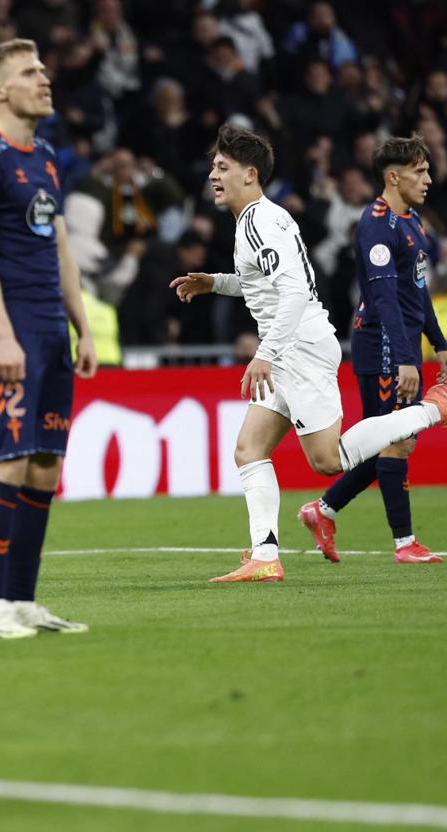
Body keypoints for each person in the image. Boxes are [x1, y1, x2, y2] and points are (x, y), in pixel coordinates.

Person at [171, 124, 447, 583]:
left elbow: (295, 291)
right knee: (249, 449)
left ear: (250, 173)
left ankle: (433, 410)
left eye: (223, 167)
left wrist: (265, 353)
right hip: (293, 343)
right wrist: (214, 283)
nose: (213, 176)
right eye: (213, 167)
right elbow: (265, 286)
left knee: (328, 460)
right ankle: (264, 556)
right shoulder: (260, 219)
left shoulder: (259, 222)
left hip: (295, 346)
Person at [0, 38, 95, 640]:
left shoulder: (46, 156)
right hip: (6, 333)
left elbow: (60, 248)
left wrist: (82, 325)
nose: (45, 77)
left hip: (50, 332)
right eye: (30, 72)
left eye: (43, 67)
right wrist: (2, 338)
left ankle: (23, 603)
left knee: (43, 467)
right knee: (7, 462)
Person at [300, 134, 447, 564]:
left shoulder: (412, 221)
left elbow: (417, 293)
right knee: (396, 441)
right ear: (393, 175)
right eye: (420, 171)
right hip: (382, 341)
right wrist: (405, 357)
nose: (428, 179)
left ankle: (323, 510)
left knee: (391, 439)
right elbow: (383, 299)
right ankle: (404, 544)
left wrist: (439, 345)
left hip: (398, 341)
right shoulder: (376, 224)